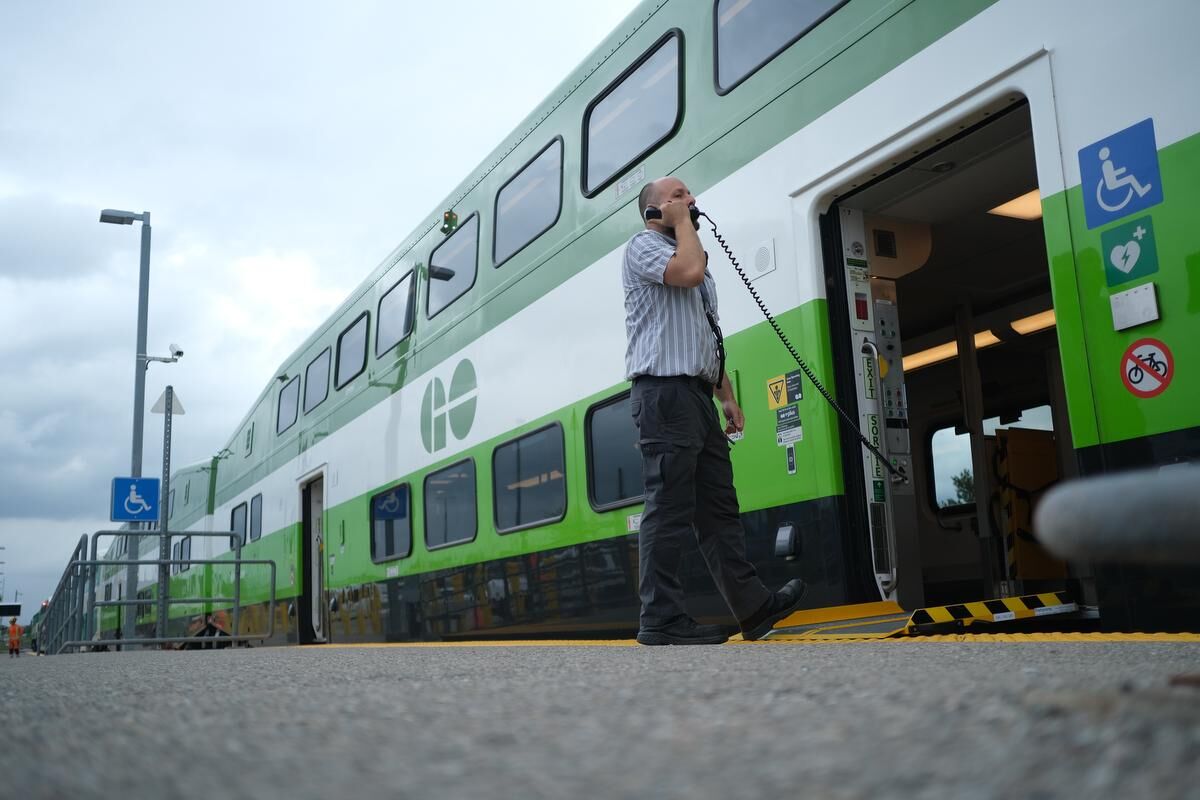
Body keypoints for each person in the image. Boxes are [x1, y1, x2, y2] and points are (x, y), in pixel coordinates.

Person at [622, 176, 806, 645]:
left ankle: (753, 608)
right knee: (668, 507)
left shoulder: (697, 261)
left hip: (696, 397)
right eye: (679, 195)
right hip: (663, 395)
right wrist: (684, 225)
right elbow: (686, 272)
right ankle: (660, 620)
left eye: (690, 195)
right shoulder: (642, 247)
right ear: (654, 211)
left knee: (718, 510)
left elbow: (707, 335)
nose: (691, 200)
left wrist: (725, 395)